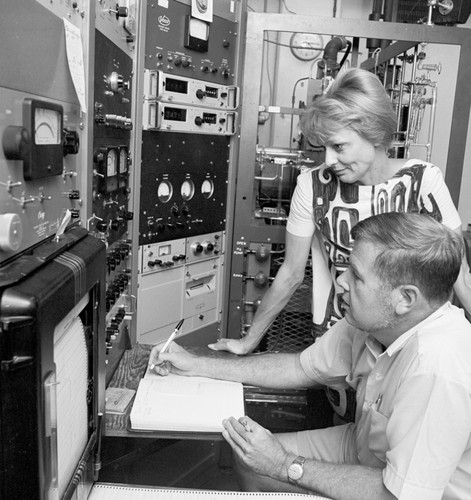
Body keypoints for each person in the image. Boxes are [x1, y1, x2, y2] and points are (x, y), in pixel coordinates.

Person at [149, 212, 471, 500]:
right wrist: (197, 364)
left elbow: (396, 495)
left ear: (405, 299)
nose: (340, 282)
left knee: (267, 464)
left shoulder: (438, 367)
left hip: (405, 490)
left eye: (356, 276)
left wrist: (283, 464)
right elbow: (298, 367)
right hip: (365, 450)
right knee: (249, 459)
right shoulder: (372, 321)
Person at [210, 67, 471, 366]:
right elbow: (291, 273)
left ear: (373, 132)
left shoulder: (424, 180)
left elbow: (459, 277)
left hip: (411, 348)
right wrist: (248, 342)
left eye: (339, 146)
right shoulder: (311, 185)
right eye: (324, 148)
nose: (329, 161)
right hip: (341, 338)